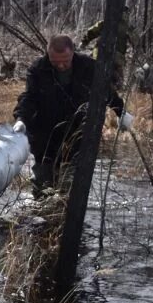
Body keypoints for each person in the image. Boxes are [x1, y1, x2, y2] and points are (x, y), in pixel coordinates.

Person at [13, 34, 135, 192]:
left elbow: (106, 93)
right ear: (48, 54)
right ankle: (41, 212)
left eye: (65, 61)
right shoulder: (38, 69)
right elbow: (29, 98)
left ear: (72, 53)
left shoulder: (89, 67)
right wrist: (21, 119)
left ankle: (63, 212)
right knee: (42, 187)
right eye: (55, 62)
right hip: (44, 139)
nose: (61, 66)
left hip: (76, 137)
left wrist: (121, 113)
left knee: (68, 189)